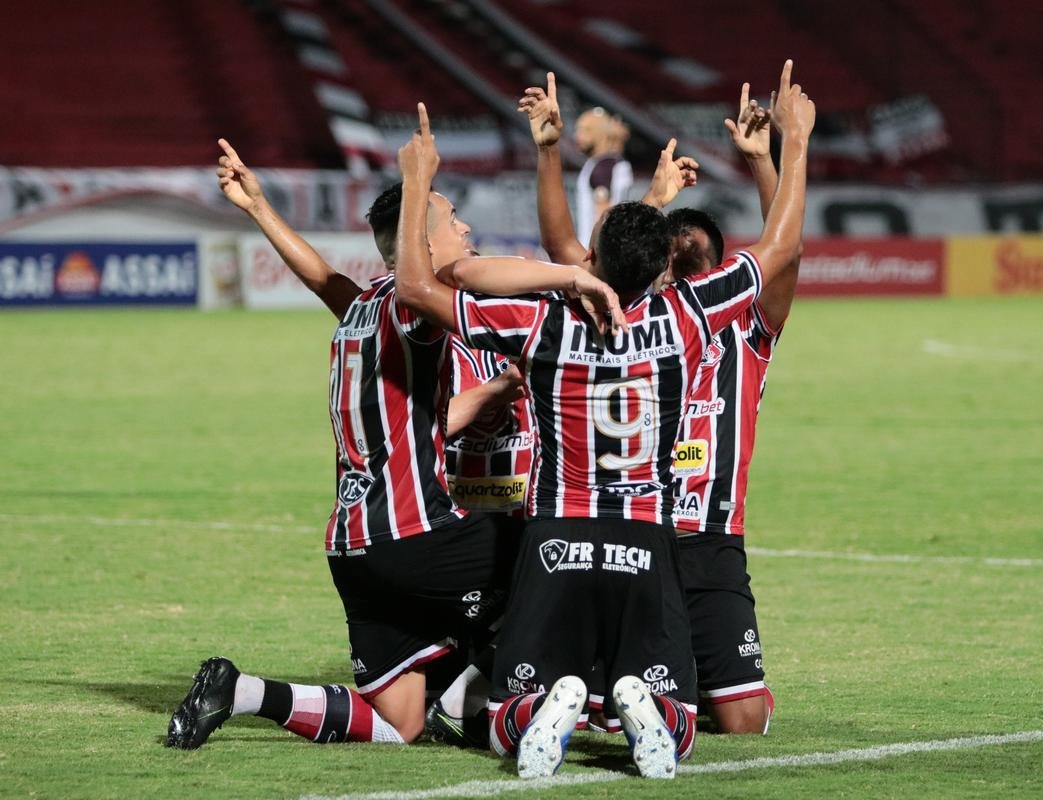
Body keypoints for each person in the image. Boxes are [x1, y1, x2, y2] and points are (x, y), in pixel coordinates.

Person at [390, 60, 813, 778]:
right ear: (661, 272)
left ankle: (555, 707)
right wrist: (794, 144)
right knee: (681, 725)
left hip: (556, 534)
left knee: (502, 724)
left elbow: (433, 284)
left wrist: (557, 250)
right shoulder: (688, 317)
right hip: (646, 536)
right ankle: (644, 711)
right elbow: (777, 251)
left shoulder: (546, 320)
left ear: (592, 259)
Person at [164, 144, 532, 750]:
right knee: (561, 561)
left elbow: (321, 278)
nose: (466, 227)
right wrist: (420, 181)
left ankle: (240, 690)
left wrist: (259, 206)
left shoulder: (361, 308)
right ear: (422, 241)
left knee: (400, 723)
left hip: (354, 548)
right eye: (451, 218)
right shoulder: (415, 310)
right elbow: (441, 294)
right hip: (418, 535)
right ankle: (497, 704)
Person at [664, 81, 803, 735]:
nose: (687, 254)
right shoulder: (637, 319)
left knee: (743, 722)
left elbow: (784, 253)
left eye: (700, 250)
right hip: (639, 532)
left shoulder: (746, 332)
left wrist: (763, 160)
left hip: (713, 540)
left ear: (725, 272)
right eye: (674, 250)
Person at [574, 106, 633, 247]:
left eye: (586, 130)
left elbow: (602, 212)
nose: (577, 136)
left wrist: (596, 254)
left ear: (600, 133)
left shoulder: (602, 168)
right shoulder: (614, 162)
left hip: (595, 250)